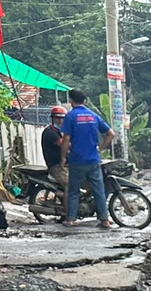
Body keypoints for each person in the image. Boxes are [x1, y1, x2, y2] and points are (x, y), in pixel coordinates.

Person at [59, 89, 115, 229]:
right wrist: (100, 148)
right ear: (85, 101)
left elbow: (66, 139)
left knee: (73, 191)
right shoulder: (93, 115)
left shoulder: (70, 116)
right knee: (99, 191)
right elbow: (111, 134)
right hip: (93, 160)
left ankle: (71, 219)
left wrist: (63, 158)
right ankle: (104, 220)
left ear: (70, 102)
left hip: (77, 160)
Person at [41, 104, 69, 193]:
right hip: (56, 166)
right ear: (52, 118)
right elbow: (64, 144)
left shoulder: (62, 131)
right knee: (70, 185)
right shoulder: (50, 132)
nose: (60, 121)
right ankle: (69, 202)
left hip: (67, 164)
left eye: (62, 118)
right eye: (57, 118)